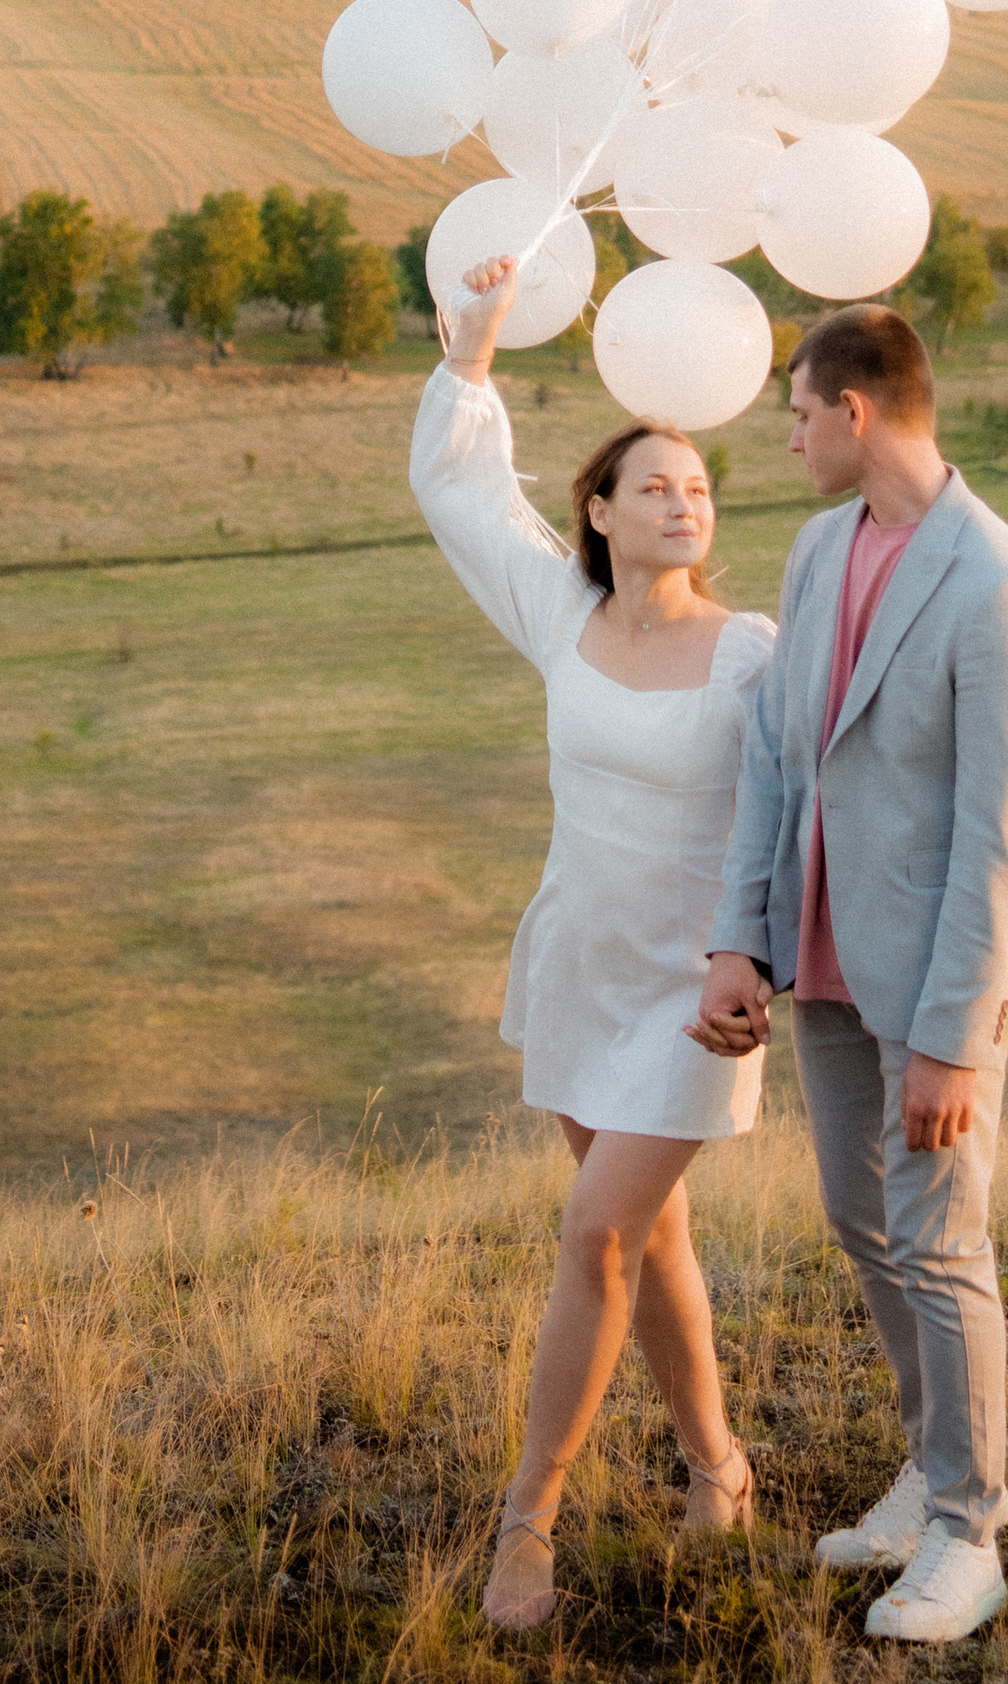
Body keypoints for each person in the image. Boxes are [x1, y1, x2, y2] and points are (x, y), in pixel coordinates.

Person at [691, 301, 1008, 1646]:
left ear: (857, 410)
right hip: (825, 961)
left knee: (941, 1237)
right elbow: (779, 751)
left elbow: (999, 834)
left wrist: (958, 1039)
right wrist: (740, 932)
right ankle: (927, 1467)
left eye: (798, 413)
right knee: (863, 1223)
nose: (788, 436)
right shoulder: (814, 550)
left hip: (936, 988)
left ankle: (971, 1531)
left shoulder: (999, 586)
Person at [412, 252, 776, 1635]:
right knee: (651, 1237)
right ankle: (716, 1463)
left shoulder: (752, 650)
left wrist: (765, 960)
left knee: (597, 1237)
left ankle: (529, 1518)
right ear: (602, 510)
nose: (686, 499)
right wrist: (474, 356)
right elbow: (461, 496)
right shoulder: (561, 618)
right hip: (577, 962)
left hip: (694, 999)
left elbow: (807, 799)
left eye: (701, 484)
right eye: (658, 483)